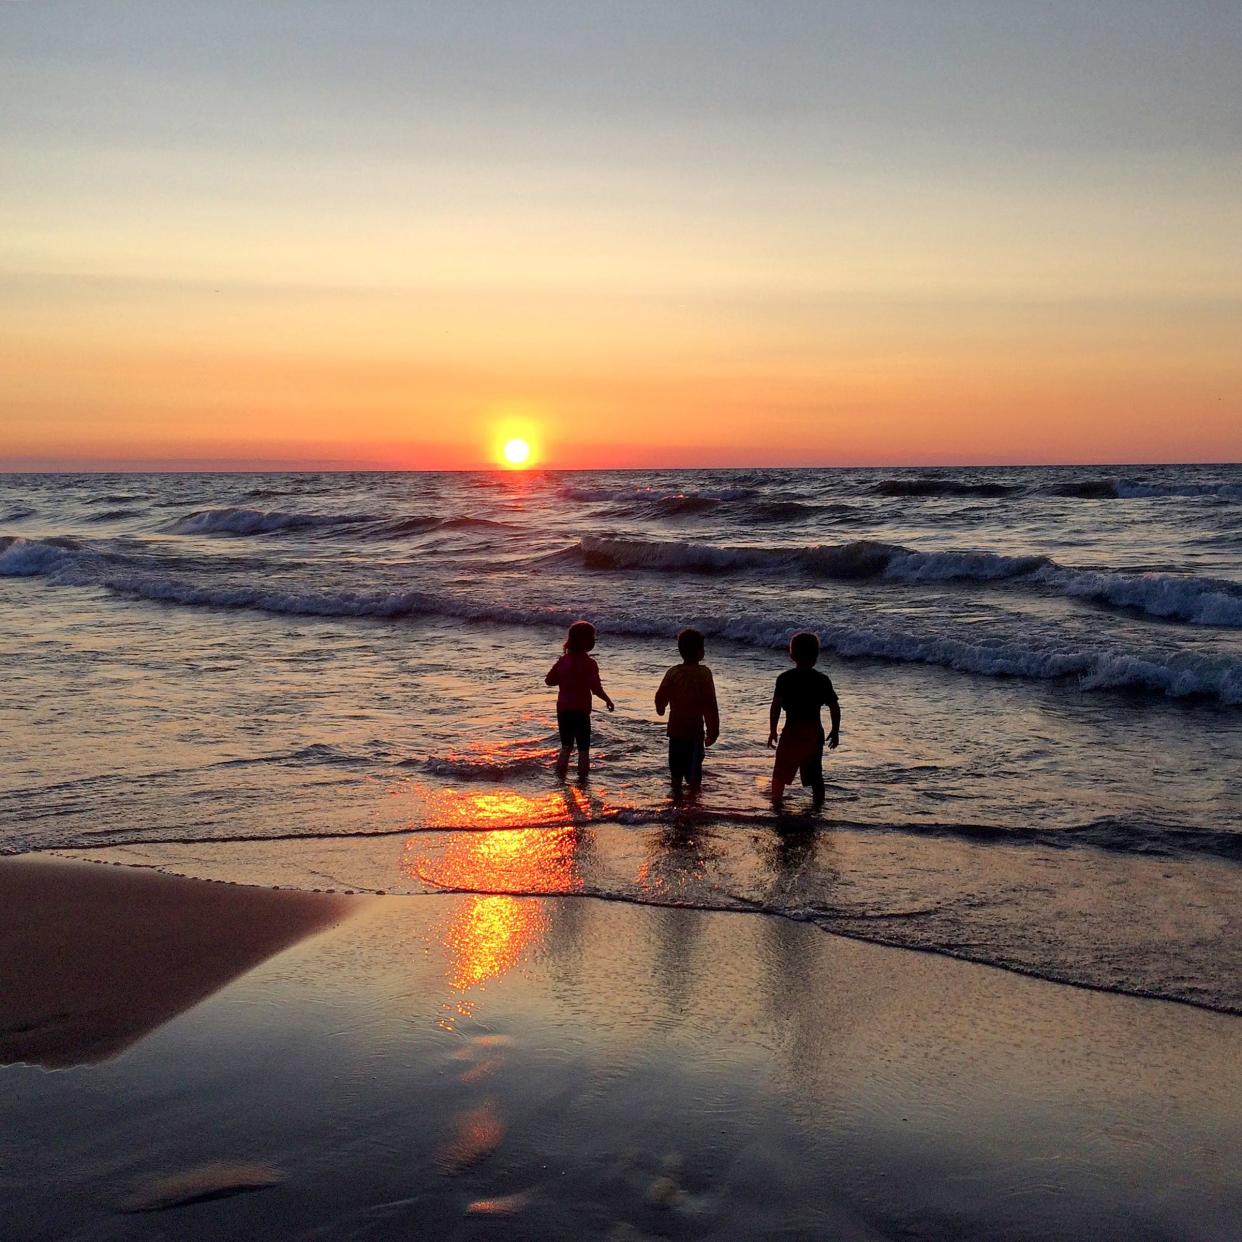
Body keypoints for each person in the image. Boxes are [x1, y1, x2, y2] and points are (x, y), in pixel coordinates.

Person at [766, 631, 840, 804]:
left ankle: (776, 804)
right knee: (815, 776)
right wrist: (835, 731)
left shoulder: (784, 678)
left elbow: (775, 706)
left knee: (780, 774)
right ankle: (818, 807)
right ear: (816, 656)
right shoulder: (822, 679)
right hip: (813, 732)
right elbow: (834, 707)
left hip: (792, 731)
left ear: (792, 655)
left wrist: (772, 730)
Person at [654, 628, 720, 796]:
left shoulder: (673, 672)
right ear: (699, 652)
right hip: (695, 732)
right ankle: (692, 807)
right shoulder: (704, 674)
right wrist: (713, 731)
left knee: (675, 771)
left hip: (675, 731)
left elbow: (660, 696)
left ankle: (676, 802)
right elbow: (710, 704)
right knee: (694, 775)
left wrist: (661, 708)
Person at [545, 620, 614, 779]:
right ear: (584, 641)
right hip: (581, 710)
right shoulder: (589, 663)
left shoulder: (563, 661)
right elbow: (595, 688)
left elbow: (549, 681)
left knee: (566, 746)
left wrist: (564, 677)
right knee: (583, 748)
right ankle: (583, 779)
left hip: (563, 709)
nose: (594, 641)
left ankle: (560, 776)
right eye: (592, 638)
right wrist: (608, 700)